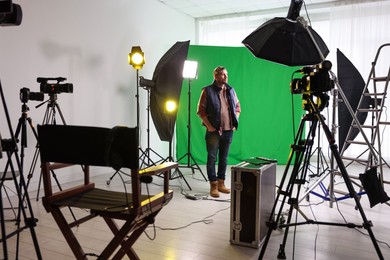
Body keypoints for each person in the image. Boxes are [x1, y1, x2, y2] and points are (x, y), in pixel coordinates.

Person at [197, 66, 241, 198]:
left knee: (224, 158)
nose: (226, 77)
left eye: (226, 74)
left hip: (228, 131)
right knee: (212, 158)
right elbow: (201, 111)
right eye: (222, 74)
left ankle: (221, 183)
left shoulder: (231, 90)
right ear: (216, 76)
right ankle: (213, 185)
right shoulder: (207, 91)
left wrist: (235, 121)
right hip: (214, 131)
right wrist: (209, 126)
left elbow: (238, 106)